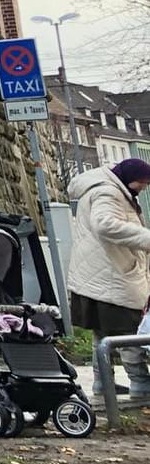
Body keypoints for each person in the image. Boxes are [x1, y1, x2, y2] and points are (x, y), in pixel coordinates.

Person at [67, 157, 150, 398]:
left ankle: (103, 384)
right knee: (128, 332)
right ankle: (141, 383)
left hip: (95, 276)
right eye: (141, 183)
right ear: (128, 179)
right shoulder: (108, 193)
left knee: (103, 334)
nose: (143, 188)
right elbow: (105, 225)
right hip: (111, 274)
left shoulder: (104, 188)